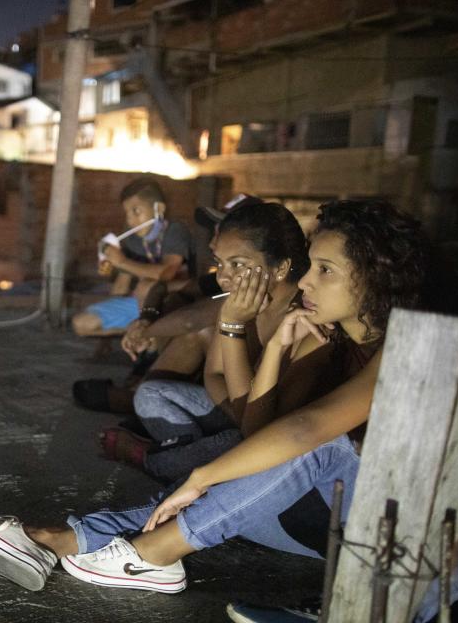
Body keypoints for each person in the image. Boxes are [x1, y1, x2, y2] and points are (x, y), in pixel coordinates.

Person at [0, 200, 458, 618]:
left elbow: (308, 431)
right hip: (351, 524)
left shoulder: (407, 345)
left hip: (432, 535)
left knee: (275, 457)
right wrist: (269, 347)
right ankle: (57, 540)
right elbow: (263, 430)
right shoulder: (332, 338)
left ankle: (153, 554)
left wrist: (201, 474)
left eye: (325, 270)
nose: (307, 281)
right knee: (226, 476)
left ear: (375, 279)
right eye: (310, 266)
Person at [102, 201, 312, 480]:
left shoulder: (302, 320)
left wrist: (231, 324)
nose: (224, 277)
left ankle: (158, 458)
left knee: (238, 445)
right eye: (220, 264)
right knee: (150, 394)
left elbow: (264, 427)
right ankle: (187, 450)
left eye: (237, 265)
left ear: (281, 268)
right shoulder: (235, 302)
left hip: (270, 430)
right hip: (237, 413)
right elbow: (214, 373)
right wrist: (237, 414)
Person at [71, 178, 194, 337]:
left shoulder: (175, 230)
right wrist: (108, 266)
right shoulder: (133, 239)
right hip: (139, 301)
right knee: (80, 323)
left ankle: (148, 334)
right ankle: (139, 332)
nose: (130, 220)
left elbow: (166, 273)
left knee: (147, 285)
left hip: (174, 298)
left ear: (159, 209)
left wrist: (122, 261)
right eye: (127, 214)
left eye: (136, 211)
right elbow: (122, 282)